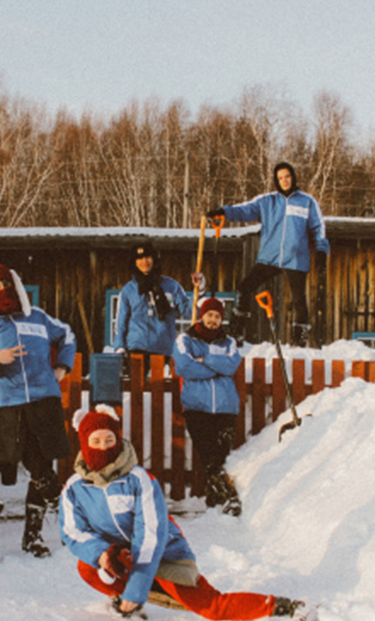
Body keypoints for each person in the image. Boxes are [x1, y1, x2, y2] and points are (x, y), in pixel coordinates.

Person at [60, 405, 314, 621]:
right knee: (88, 567)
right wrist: (104, 554)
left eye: (109, 440)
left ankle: (282, 607)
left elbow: (151, 536)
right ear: (84, 444)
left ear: (118, 441)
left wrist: (136, 592)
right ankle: (129, 601)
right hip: (122, 557)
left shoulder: (140, 480)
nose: (103, 447)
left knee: (212, 608)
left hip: (164, 556)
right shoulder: (75, 488)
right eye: (95, 441)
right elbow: (73, 532)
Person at [0, 263, 76, 558]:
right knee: (37, 467)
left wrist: (62, 366)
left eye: (4, 284)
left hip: (44, 399)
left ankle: (33, 537)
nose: (0, 291)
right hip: (8, 404)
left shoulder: (37, 317)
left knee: (44, 467)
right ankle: (74, 518)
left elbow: (68, 335)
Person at [206, 162, 329, 347]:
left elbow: (318, 227)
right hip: (269, 257)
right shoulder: (267, 201)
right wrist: (224, 211)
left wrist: (321, 250)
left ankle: (299, 341)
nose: (284, 181)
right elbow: (244, 210)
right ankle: (237, 332)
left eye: (287, 176)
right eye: (280, 178)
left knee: (299, 300)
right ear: (276, 180)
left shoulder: (307, 202)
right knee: (244, 288)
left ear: (293, 177)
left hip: (295, 258)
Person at [173, 297, 243, 516]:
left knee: (221, 457)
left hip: (225, 407)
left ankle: (214, 504)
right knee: (209, 457)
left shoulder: (228, 342)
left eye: (217, 316)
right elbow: (184, 367)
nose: (213, 320)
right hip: (197, 407)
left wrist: (204, 359)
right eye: (209, 315)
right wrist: (216, 367)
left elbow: (231, 365)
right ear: (201, 315)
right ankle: (229, 498)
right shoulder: (185, 339)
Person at [113, 241, 194, 373]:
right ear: (134, 262)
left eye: (148, 257)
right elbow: (121, 322)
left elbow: (188, 311)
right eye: (139, 258)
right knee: (136, 390)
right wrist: (119, 347)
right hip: (136, 349)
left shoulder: (171, 286)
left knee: (161, 391)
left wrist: (199, 292)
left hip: (163, 349)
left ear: (154, 259)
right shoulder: (128, 290)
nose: (144, 261)